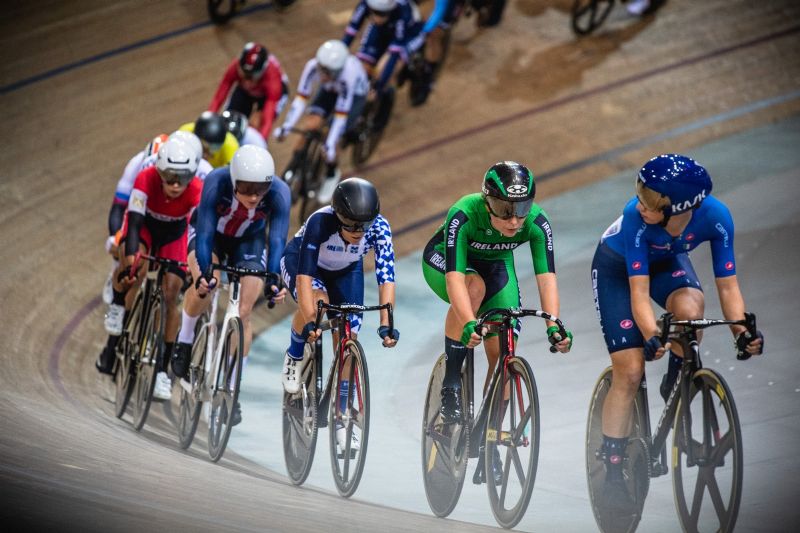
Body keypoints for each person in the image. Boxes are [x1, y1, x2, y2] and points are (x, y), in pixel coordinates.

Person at [590, 154, 764, 513]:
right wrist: (653, 333)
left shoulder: (716, 217)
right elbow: (638, 295)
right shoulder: (635, 219)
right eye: (641, 193)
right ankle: (612, 468)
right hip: (617, 271)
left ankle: (675, 380)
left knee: (690, 312)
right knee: (631, 369)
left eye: (651, 200)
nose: (640, 203)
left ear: (679, 207)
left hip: (666, 261)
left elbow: (728, 288)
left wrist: (741, 332)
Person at [421, 160, 572, 485]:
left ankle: (488, 442)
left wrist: (554, 324)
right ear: (488, 201)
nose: (514, 220)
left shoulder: (536, 222)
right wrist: (468, 322)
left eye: (521, 209)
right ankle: (450, 383)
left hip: (496, 269)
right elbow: (454, 280)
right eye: (505, 210)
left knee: (504, 352)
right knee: (474, 289)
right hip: (447, 263)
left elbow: (547, 278)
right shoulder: (464, 213)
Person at [170, 145, 291, 425]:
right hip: (210, 236)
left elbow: (276, 240)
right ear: (234, 180)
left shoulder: (280, 193)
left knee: (244, 312)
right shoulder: (217, 180)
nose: (252, 196)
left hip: (249, 242)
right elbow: (205, 232)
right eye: (246, 188)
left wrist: (274, 279)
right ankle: (185, 340)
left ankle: (232, 389)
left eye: (259, 189)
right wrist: (204, 273)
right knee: (206, 285)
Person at [280, 177, 399, 454]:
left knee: (348, 340)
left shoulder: (379, 227)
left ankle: (342, 417)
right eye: (351, 225)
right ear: (338, 216)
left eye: (364, 225)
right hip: (303, 263)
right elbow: (305, 276)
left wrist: (386, 323)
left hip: (346, 271)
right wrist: (311, 319)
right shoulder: (320, 222)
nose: (359, 232)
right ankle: (295, 353)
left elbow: (386, 275)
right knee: (319, 306)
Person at [98, 138, 203, 401]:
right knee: (135, 266)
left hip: (174, 235)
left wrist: (192, 265)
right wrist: (132, 260)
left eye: (182, 178)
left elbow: (198, 231)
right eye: (170, 177)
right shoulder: (145, 177)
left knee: (171, 295)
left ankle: (162, 371)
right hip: (144, 226)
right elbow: (133, 223)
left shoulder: (198, 189)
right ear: (159, 172)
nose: (176, 185)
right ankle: (119, 304)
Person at [273, 40, 370, 204]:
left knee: (331, 135)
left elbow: (341, 115)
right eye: (321, 70)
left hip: (355, 96)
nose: (322, 75)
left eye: (327, 72)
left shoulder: (348, 76)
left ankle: (332, 172)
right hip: (330, 89)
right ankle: (296, 164)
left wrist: (330, 143)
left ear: (338, 70)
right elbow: (300, 99)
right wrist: (286, 127)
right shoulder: (313, 66)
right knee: (310, 124)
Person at [342, 0, 422, 126]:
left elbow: (394, 56)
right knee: (362, 67)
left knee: (384, 71)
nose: (378, 17)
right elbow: (351, 30)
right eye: (375, 12)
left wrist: (379, 87)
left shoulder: (402, 13)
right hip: (381, 30)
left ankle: (385, 104)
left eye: (382, 13)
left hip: (409, 34)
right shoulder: (365, 5)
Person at [208, 42, 290, 142]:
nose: (247, 81)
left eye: (251, 77)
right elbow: (218, 98)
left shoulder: (272, 79)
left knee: (255, 125)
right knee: (228, 120)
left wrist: (260, 142)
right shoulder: (235, 67)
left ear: (262, 71)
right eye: (244, 74)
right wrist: (208, 121)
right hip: (245, 91)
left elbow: (267, 121)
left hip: (269, 95)